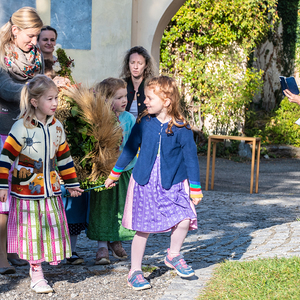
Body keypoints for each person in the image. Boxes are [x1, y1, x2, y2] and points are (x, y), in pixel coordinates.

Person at [105, 75, 203, 291]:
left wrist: (195, 189)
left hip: (173, 182)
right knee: (143, 229)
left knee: (185, 218)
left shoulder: (182, 127)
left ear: (167, 101)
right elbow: (129, 150)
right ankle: (135, 271)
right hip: (145, 183)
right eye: (145, 98)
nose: (145, 102)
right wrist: (114, 174)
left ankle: (173, 255)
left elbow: (191, 159)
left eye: (150, 98)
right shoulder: (143, 124)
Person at [0, 75, 83, 293]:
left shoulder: (58, 127)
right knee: (32, 233)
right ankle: (36, 273)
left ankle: (41, 267)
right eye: (50, 99)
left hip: (52, 192)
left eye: (56, 98)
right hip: (26, 193)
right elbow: (5, 158)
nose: (55, 103)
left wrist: (72, 183)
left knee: (49, 231)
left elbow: (64, 158)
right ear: (35, 101)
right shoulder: (20, 127)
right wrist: (1, 186)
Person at [0, 6, 44, 274]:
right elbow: (5, 88)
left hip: (26, 132)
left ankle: (13, 250)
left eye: (37, 36)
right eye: (30, 36)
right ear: (15, 30)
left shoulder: (35, 57)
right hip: (3, 133)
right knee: (2, 199)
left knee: (20, 195)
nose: (34, 42)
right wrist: (36, 89)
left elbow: (38, 81)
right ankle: (0, 257)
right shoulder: (1, 57)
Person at [87, 78, 136, 264]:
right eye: (119, 97)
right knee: (103, 207)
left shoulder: (129, 119)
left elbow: (133, 145)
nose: (125, 100)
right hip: (103, 172)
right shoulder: (99, 118)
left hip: (124, 171)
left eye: (126, 96)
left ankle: (116, 240)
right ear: (106, 100)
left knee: (121, 206)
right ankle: (101, 245)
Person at [120, 46, 155, 119]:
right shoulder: (121, 85)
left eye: (140, 63)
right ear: (128, 64)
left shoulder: (152, 86)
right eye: (132, 63)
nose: (135, 67)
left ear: (146, 65)